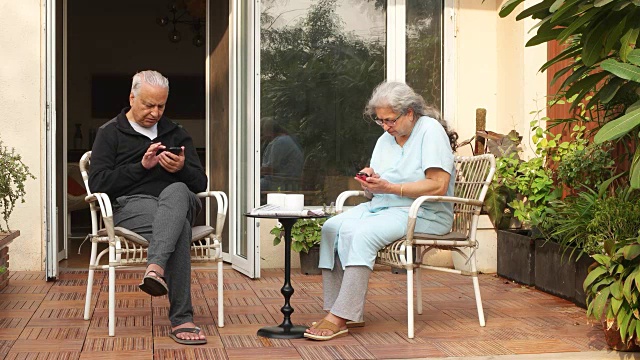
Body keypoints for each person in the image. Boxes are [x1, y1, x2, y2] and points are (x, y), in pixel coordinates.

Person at [304, 81, 458, 341]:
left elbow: (438, 185)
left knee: (363, 234)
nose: (386, 127)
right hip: (384, 207)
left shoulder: (430, 131)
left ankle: (339, 317)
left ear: (409, 112)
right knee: (331, 228)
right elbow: (378, 188)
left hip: (423, 213)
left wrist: (391, 187)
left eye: (390, 120)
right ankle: (341, 310)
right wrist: (370, 180)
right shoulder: (385, 139)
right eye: (380, 121)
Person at [89, 70, 208, 345]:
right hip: (134, 207)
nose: (155, 112)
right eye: (149, 105)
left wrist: (181, 169)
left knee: (178, 190)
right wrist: (140, 168)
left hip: (180, 202)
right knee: (176, 230)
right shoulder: (110, 133)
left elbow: (200, 182)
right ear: (132, 97)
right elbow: (98, 184)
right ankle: (182, 319)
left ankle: (155, 267)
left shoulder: (176, 132)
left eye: (161, 106)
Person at [260, 117, 304, 192]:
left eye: (261, 132)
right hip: (283, 181)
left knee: (248, 185)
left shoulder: (280, 142)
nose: (261, 135)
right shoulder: (282, 140)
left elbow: (272, 169)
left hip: (284, 183)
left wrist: (253, 172)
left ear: (267, 131)